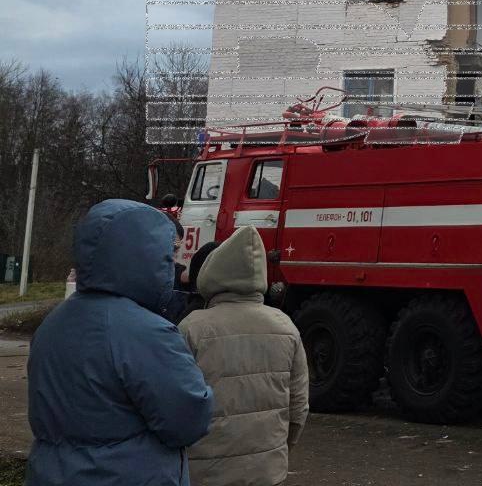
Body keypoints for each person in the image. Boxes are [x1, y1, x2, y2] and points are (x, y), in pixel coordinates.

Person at [26, 199, 213, 486]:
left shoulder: (54, 322)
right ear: (147, 256)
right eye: (170, 252)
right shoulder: (146, 332)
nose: (173, 261)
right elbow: (188, 421)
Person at [180, 226, 309, 486]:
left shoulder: (192, 328)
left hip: (204, 473)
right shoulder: (286, 327)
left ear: (211, 273)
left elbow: (176, 404)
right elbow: (298, 407)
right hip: (267, 472)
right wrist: (278, 452)